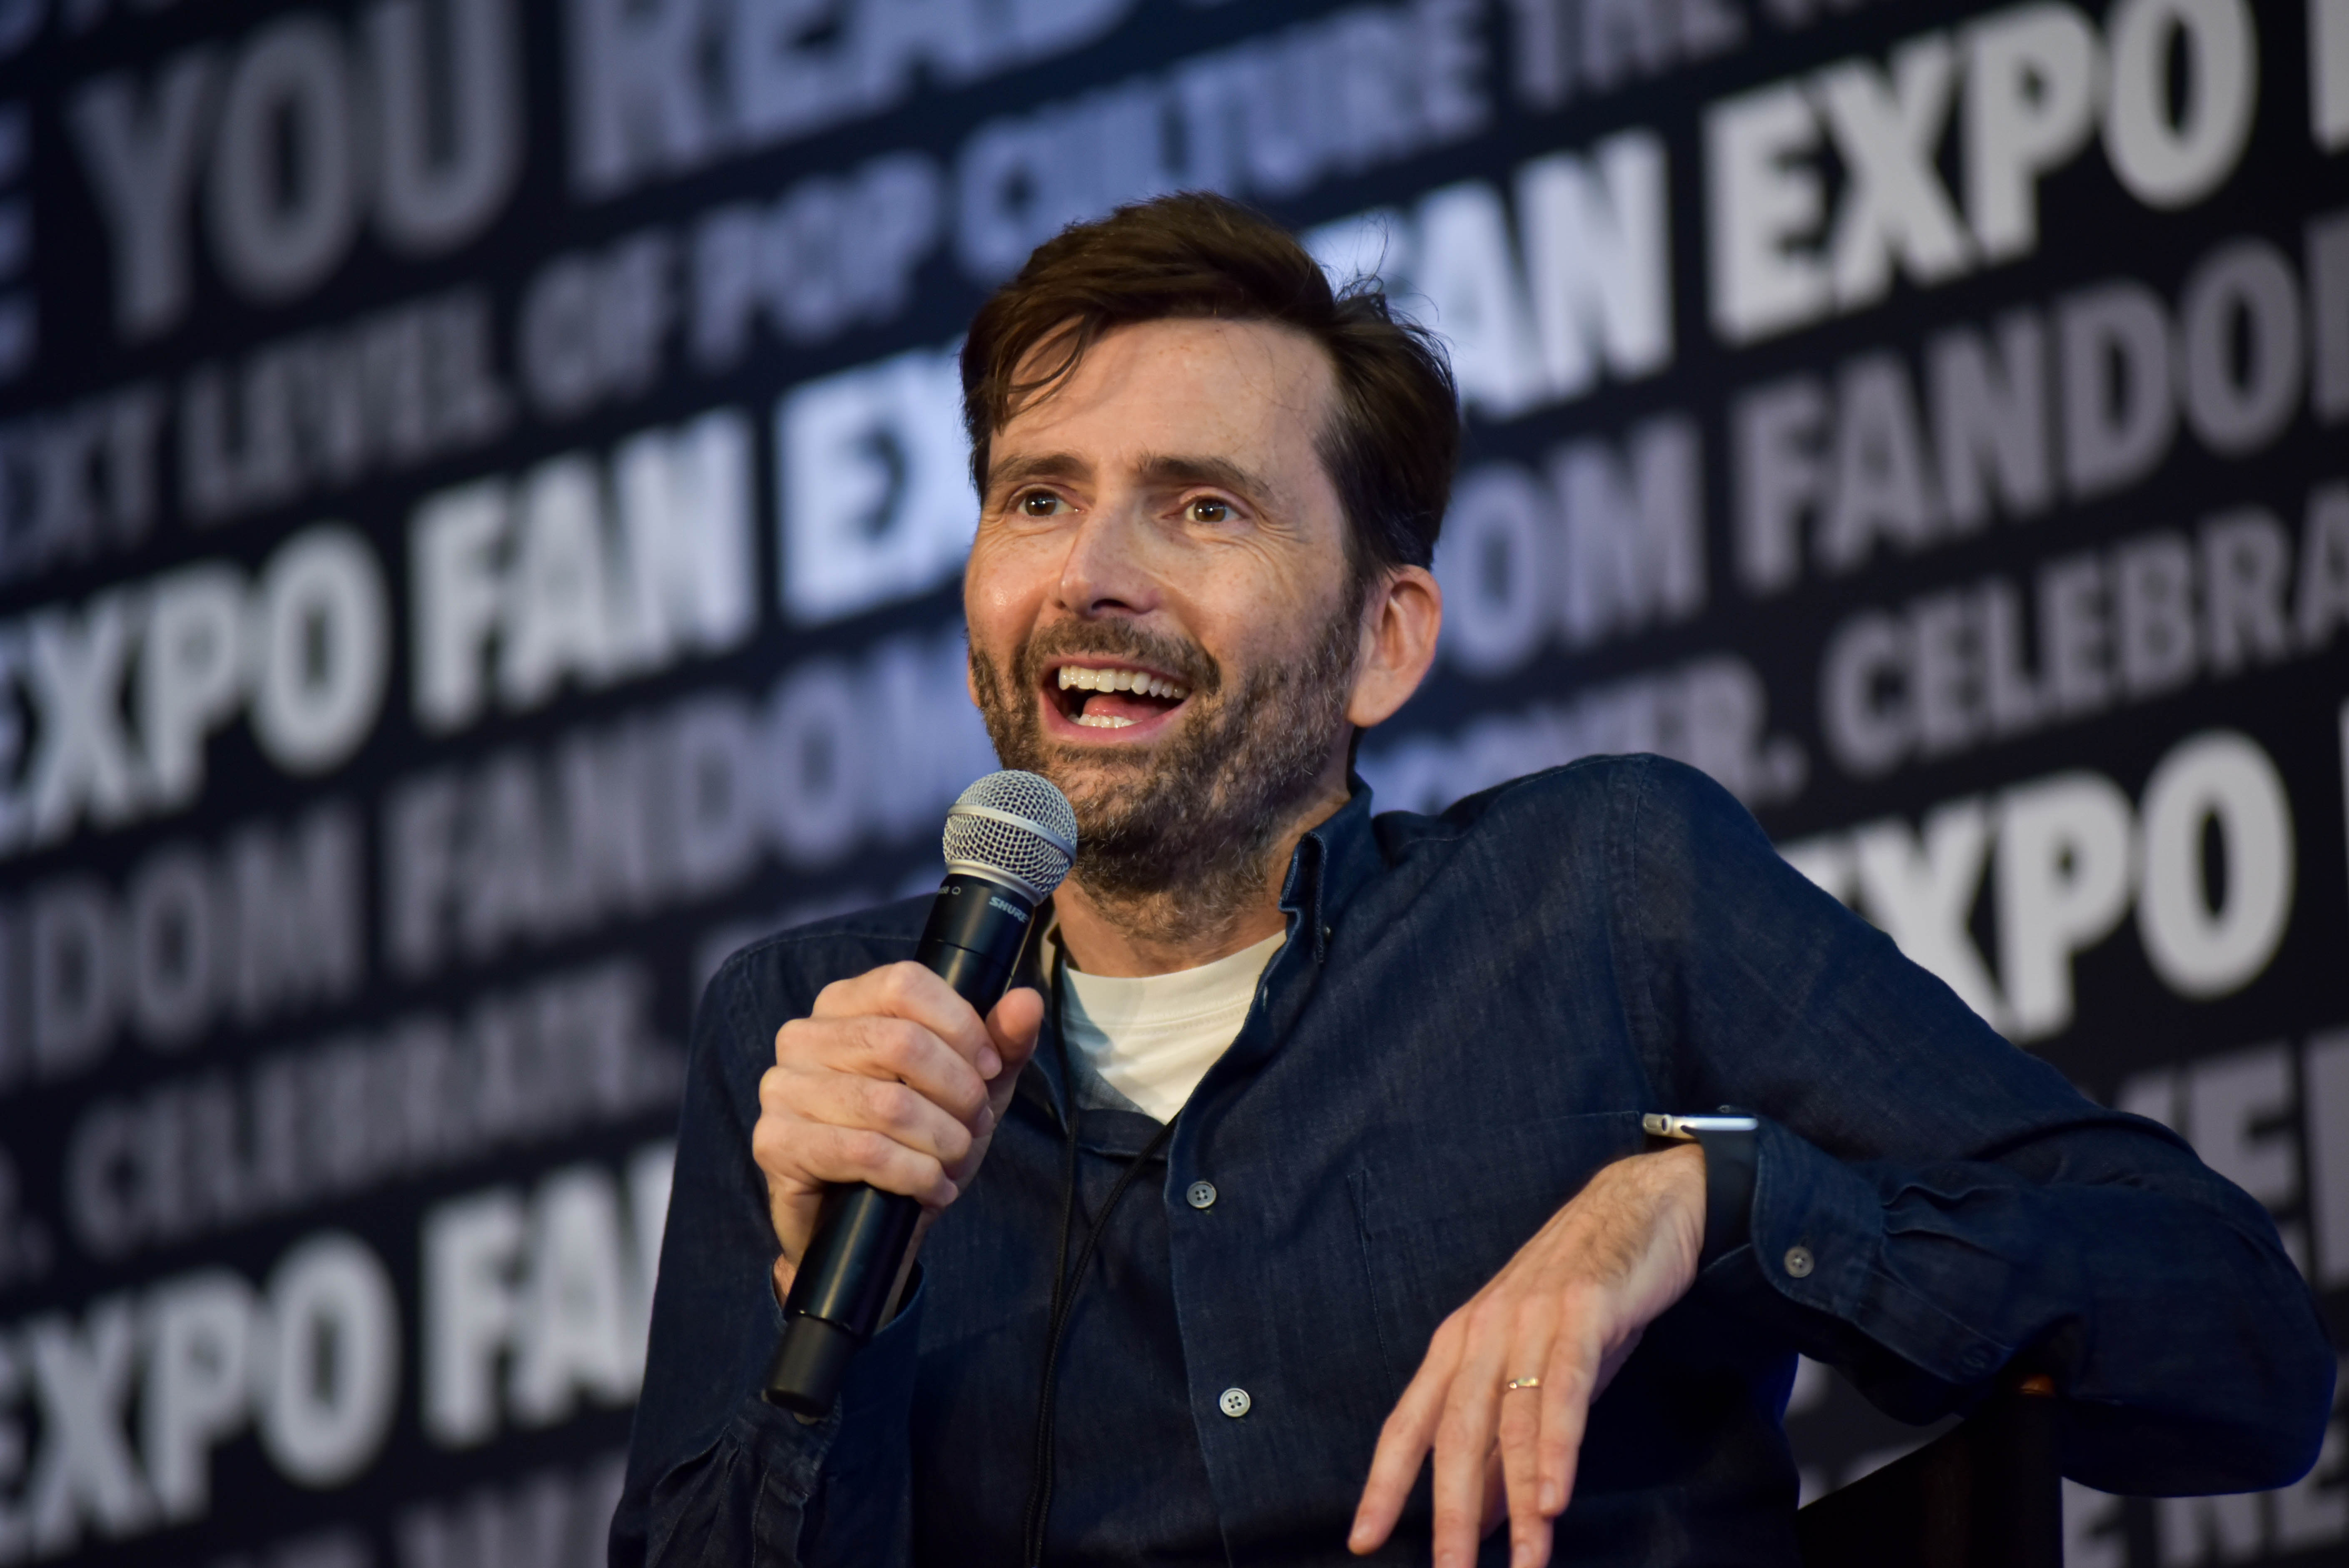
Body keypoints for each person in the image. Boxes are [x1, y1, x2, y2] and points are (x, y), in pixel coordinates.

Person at [611, 193, 2330, 1568]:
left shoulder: (1605, 894)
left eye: (1200, 509)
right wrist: (832, 1306)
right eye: (1036, 498)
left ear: (1385, 639)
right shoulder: (819, 1040)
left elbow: (2237, 1347)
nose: (1093, 576)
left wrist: (1718, 1203)